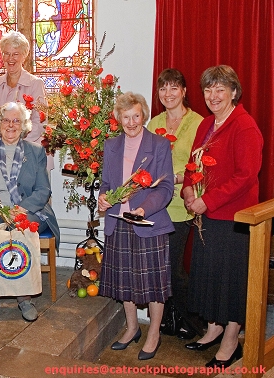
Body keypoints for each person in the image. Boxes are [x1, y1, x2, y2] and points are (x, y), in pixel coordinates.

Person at [182, 65, 263, 368]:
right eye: (208, 89)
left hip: (233, 219)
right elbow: (194, 163)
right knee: (210, 276)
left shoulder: (244, 126)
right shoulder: (207, 124)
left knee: (230, 281)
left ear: (233, 92)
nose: (213, 96)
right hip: (207, 216)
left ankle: (231, 340)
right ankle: (213, 328)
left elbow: (246, 176)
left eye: (220, 89)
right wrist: (189, 190)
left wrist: (207, 200)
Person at [0, 102, 59, 323]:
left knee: (21, 227)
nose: (11, 125)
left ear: (24, 125)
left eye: (16, 120)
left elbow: (43, 190)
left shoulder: (36, 152)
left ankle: (24, 297)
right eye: (6, 120)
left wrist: (23, 208)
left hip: (27, 208)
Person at [98, 92, 174, 361]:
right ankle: (131, 328)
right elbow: (107, 183)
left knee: (153, 285)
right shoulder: (111, 146)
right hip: (118, 223)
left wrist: (144, 208)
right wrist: (104, 197)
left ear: (144, 116)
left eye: (136, 116)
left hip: (148, 224)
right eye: (126, 117)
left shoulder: (160, 145)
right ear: (119, 119)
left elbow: (166, 188)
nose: (131, 122)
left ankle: (153, 332)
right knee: (124, 282)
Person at [147, 68, 204, 340]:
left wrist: (177, 177)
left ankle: (193, 319)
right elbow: (144, 159)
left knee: (173, 267)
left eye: (173, 88)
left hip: (181, 204)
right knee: (159, 266)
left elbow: (201, 164)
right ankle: (170, 319)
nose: (168, 94)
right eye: (163, 88)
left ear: (183, 91)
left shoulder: (198, 123)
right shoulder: (153, 122)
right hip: (155, 204)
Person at [0, 31, 53, 169]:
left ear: (24, 56)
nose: (10, 58)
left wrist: (15, 147)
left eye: (15, 54)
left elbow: (40, 122)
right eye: (6, 53)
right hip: (0, 153)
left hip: (31, 153)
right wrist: (2, 146)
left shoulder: (35, 84)